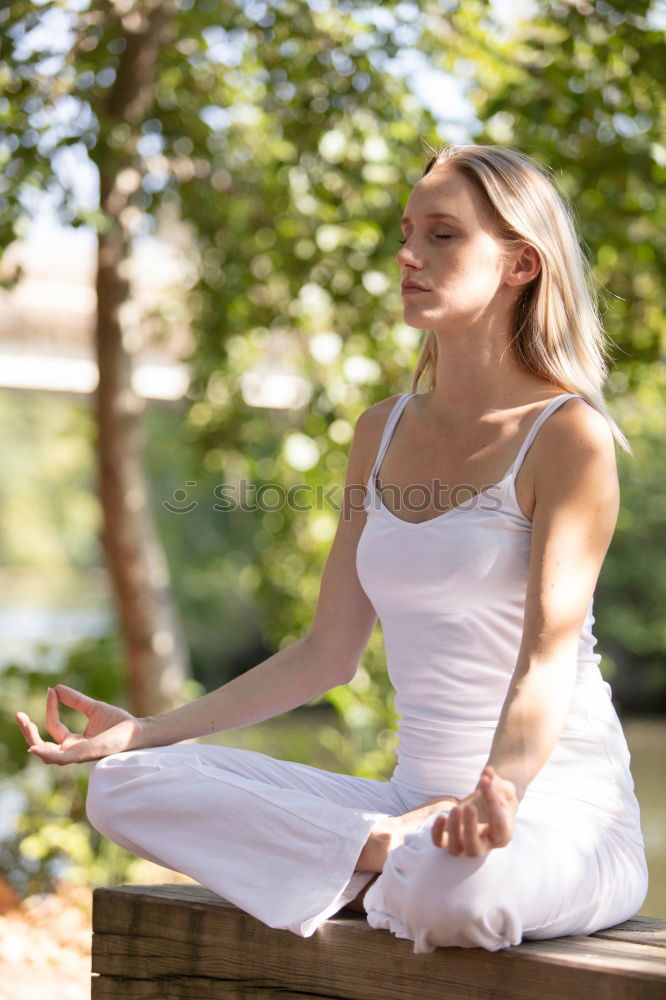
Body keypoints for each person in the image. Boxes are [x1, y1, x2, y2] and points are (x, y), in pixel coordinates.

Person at [15, 143, 648, 954]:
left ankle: (381, 866)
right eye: (406, 231)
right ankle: (379, 857)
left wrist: (501, 793)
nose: (408, 255)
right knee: (125, 786)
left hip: (555, 816)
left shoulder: (569, 438)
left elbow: (545, 659)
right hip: (402, 812)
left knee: (455, 893)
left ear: (522, 263)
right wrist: (147, 730)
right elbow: (324, 655)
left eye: (443, 235)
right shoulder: (380, 431)